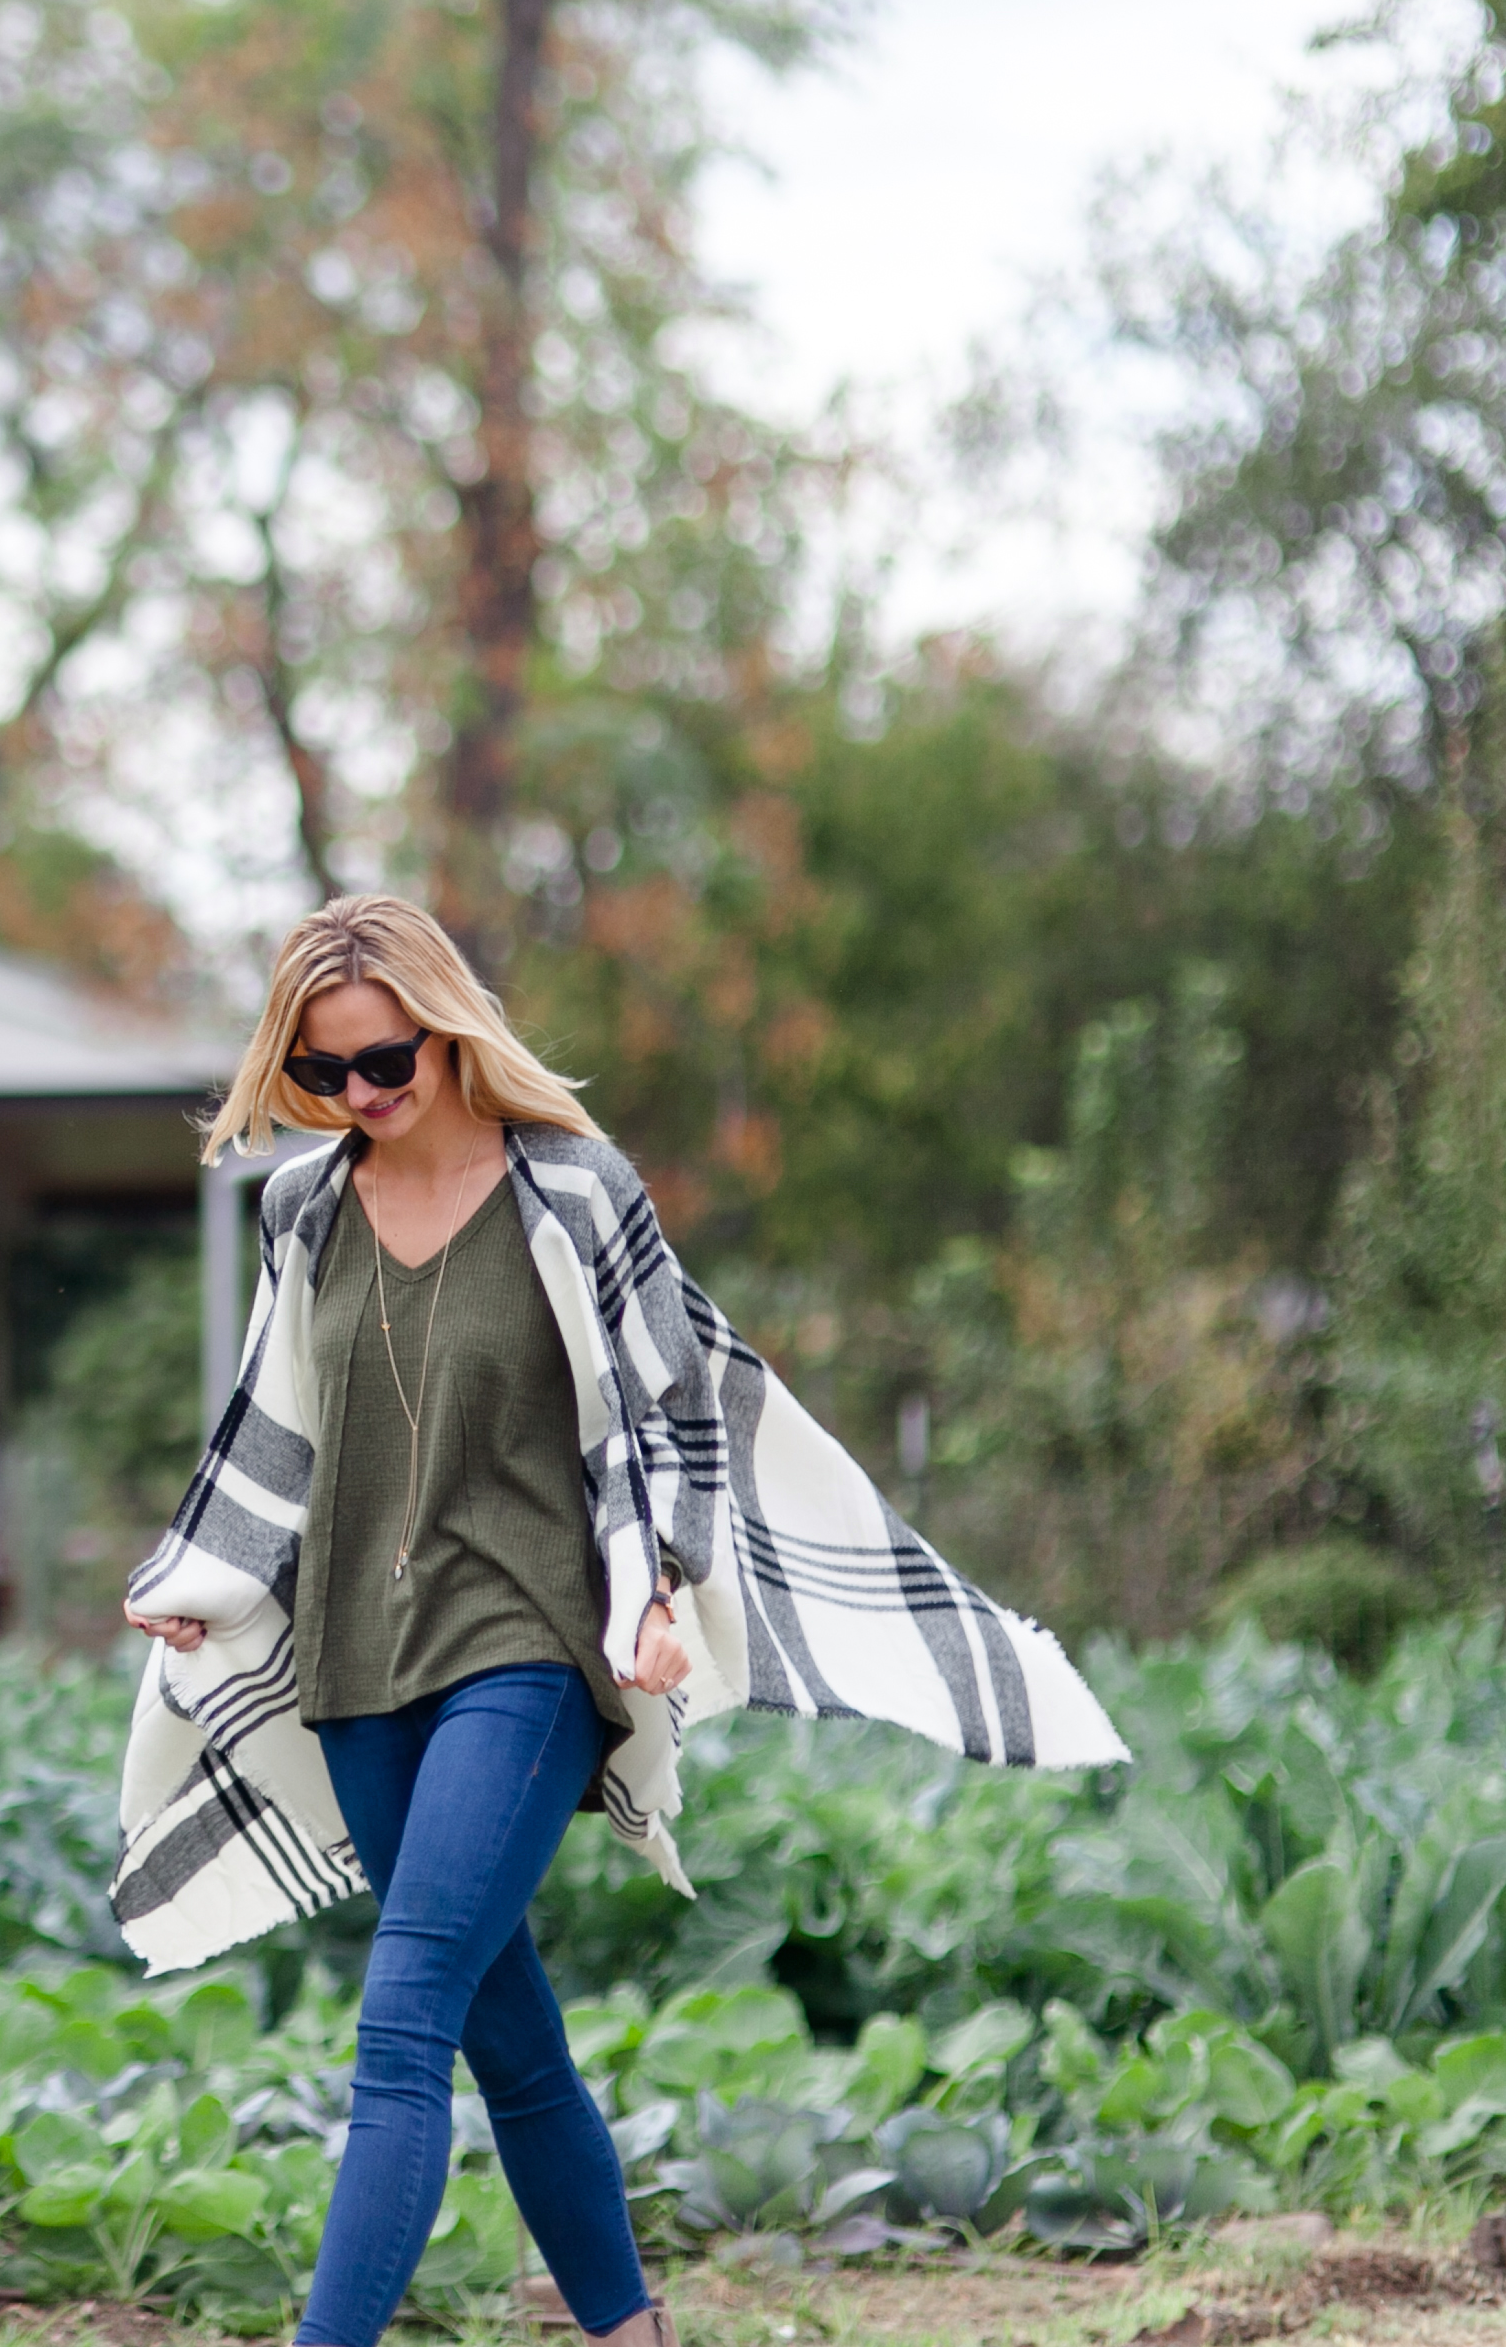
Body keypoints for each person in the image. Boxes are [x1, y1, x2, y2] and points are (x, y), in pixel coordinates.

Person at [110, 896, 1125, 2347]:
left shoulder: (572, 1191)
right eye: (323, 1073)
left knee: (399, 2029)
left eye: (383, 1060)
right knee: (501, 2030)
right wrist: (196, 1580)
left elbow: (662, 1415)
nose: (359, 1096)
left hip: (522, 1651)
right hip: (349, 1663)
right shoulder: (303, 1208)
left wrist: (649, 1590)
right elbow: (273, 1427)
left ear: (447, 1030)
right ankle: (630, 2332)